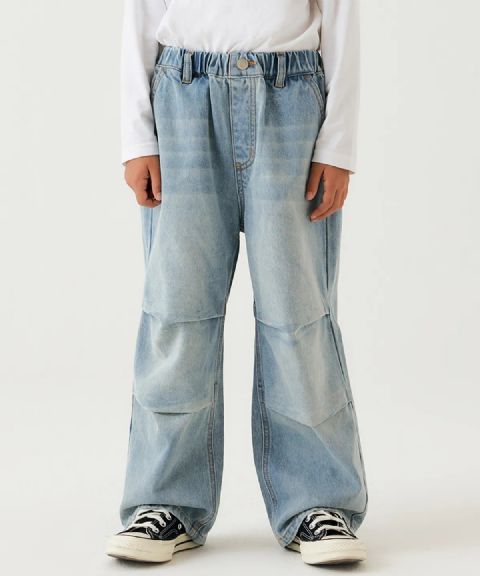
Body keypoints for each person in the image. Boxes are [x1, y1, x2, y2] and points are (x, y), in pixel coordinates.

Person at [106, 0, 368, 566]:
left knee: (298, 316)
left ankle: (319, 502)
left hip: (291, 99)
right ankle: (165, 499)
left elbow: (342, 14)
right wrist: (138, 137)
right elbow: (141, 12)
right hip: (183, 97)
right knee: (176, 313)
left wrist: (338, 144)